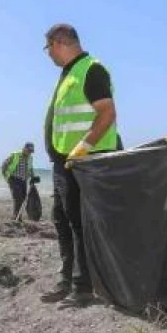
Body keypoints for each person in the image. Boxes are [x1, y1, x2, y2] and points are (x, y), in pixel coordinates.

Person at [39, 24, 121, 307]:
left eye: (47, 47)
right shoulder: (69, 72)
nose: (47, 54)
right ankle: (68, 278)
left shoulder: (91, 69)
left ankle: (83, 286)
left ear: (58, 42)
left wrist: (82, 148)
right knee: (62, 219)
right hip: (65, 160)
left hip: (85, 161)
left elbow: (107, 113)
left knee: (79, 223)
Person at [1, 142, 36, 219]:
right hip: (13, 179)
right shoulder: (15, 155)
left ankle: (18, 216)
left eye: (31, 151)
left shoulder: (30, 158)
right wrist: (6, 176)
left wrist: (33, 177)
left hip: (23, 181)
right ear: (24, 148)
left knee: (23, 199)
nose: (30, 153)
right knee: (17, 198)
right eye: (29, 150)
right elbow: (4, 164)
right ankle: (16, 217)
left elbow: (30, 168)